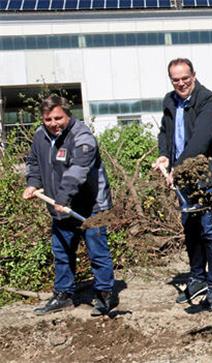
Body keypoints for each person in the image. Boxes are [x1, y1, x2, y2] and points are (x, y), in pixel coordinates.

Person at [23, 95, 116, 317]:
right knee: (62, 251)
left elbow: (78, 171)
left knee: (97, 252)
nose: (53, 123)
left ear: (68, 114)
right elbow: (34, 163)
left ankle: (104, 295)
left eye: (58, 118)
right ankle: (63, 295)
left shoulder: (82, 137)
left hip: (91, 206)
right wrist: (33, 184)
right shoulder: (40, 136)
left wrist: (62, 197)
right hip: (60, 207)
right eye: (48, 119)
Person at [154, 58, 212, 310]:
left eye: (185, 78)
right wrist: (165, 154)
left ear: (194, 76)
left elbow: (201, 139)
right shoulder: (170, 101)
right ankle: (197, 278)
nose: (181, 83)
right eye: (175, 80)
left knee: (210, 228)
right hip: (185, 178)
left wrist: (177, 169)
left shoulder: (208, 101)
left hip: (211, 175)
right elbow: (166, 132)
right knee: (190, 228)